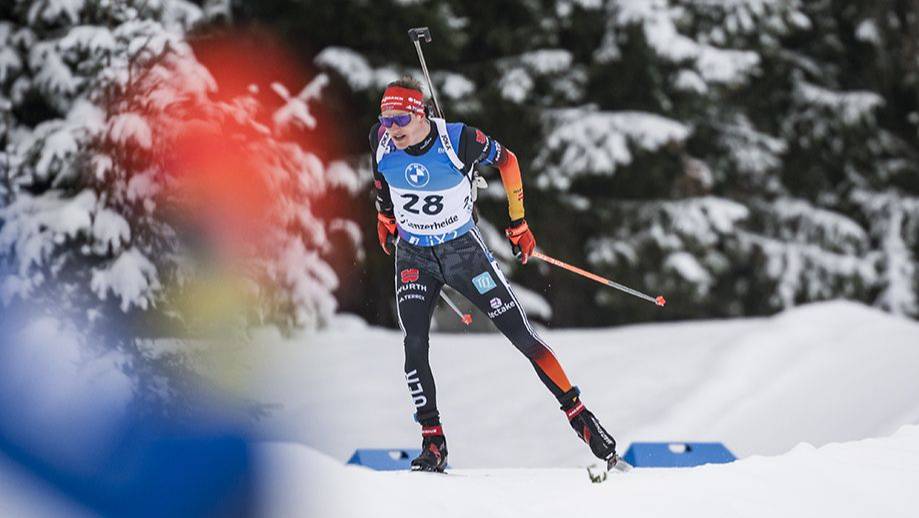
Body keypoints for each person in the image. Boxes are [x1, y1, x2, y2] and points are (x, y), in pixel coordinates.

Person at [369, 76, 624, 472]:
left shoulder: (459, 140)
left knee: (521, 333)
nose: (392, 129)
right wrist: (385, 215)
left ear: (421, 115)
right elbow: (380, 178)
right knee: (414, 344)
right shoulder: (381, 140)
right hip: (414, 256)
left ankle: (580, 416)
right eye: (386, 121)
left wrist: (519, 222)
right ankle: (433, 441)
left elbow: (509, 162)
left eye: (400, 120)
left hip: (463, 254)